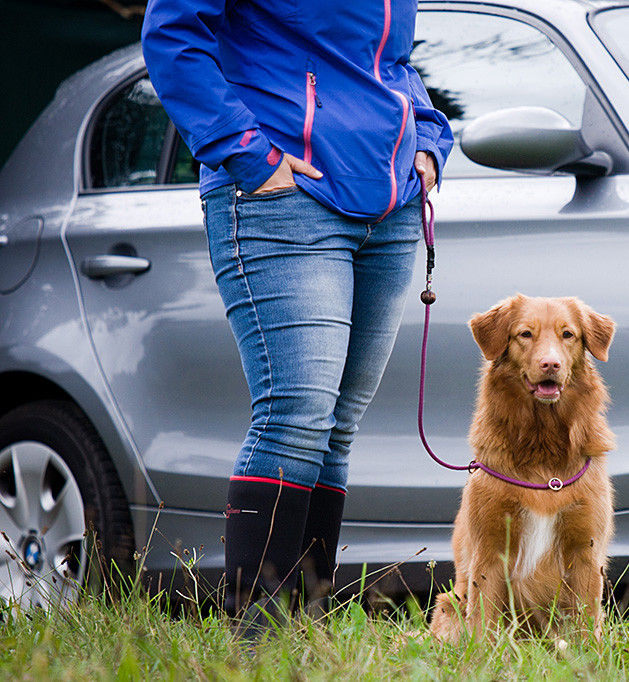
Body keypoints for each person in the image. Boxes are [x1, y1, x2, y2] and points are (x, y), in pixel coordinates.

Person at [141, 0, 453, 626]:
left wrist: (424, 134)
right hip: (285, 194)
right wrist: (248, 154)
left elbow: (387, 63)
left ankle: (302, 634)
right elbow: (173, 35)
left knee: (334, 427)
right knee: (296, 415)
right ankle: (258, 642)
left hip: (389, 204)